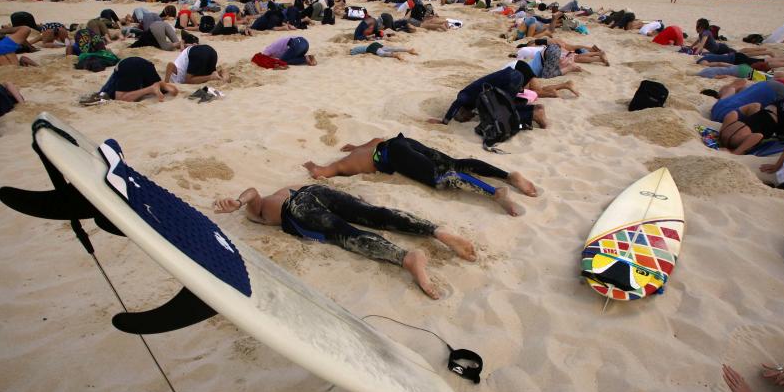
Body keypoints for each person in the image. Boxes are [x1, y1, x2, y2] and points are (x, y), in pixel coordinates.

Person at [213, 184, 477, 299]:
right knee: (374, 214)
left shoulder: (259, 212)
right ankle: (435, 231)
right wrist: (237, 202)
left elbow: (252, 194)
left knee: (344, 234)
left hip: (299, 207)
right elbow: (254, 193)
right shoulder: (270, 201)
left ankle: (406, 257)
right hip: (313, 191)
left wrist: (238, 202)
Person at [302, 134, 538, 216]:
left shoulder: (346, 165)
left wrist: (314, 166)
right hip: (401, 141)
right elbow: (375, 141)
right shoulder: (363, 149)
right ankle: (508, 175)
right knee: (454, 163)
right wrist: (355, 146)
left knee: (439, 176)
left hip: (395, 154)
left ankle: (495, 192)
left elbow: (322, 173)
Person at [428, 63, 549, 127]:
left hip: (511, 78)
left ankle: (534, 113)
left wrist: (444, 121)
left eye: (463, 117)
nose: (467, 118)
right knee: (504, 108)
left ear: (461, 111)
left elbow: (457, 102)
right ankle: (533, 111)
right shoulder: (473, 102)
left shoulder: (465, 96)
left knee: (501, 113)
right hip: (511, 76)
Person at [82, 57, 179, 104]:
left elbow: (114, 97)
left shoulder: (107, 89)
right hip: (145, 63)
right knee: (159, 86)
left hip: (127, 65)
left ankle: (151, 89)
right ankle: (164, 86)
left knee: (121, 97)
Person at [349, 41, 417, 61]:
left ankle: (395, 55)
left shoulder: (353, 52)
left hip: (371, 48)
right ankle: (409, 50)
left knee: (382, 54)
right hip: (375, 44)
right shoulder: (356, 48)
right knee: (392, 48)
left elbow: (354, 54)